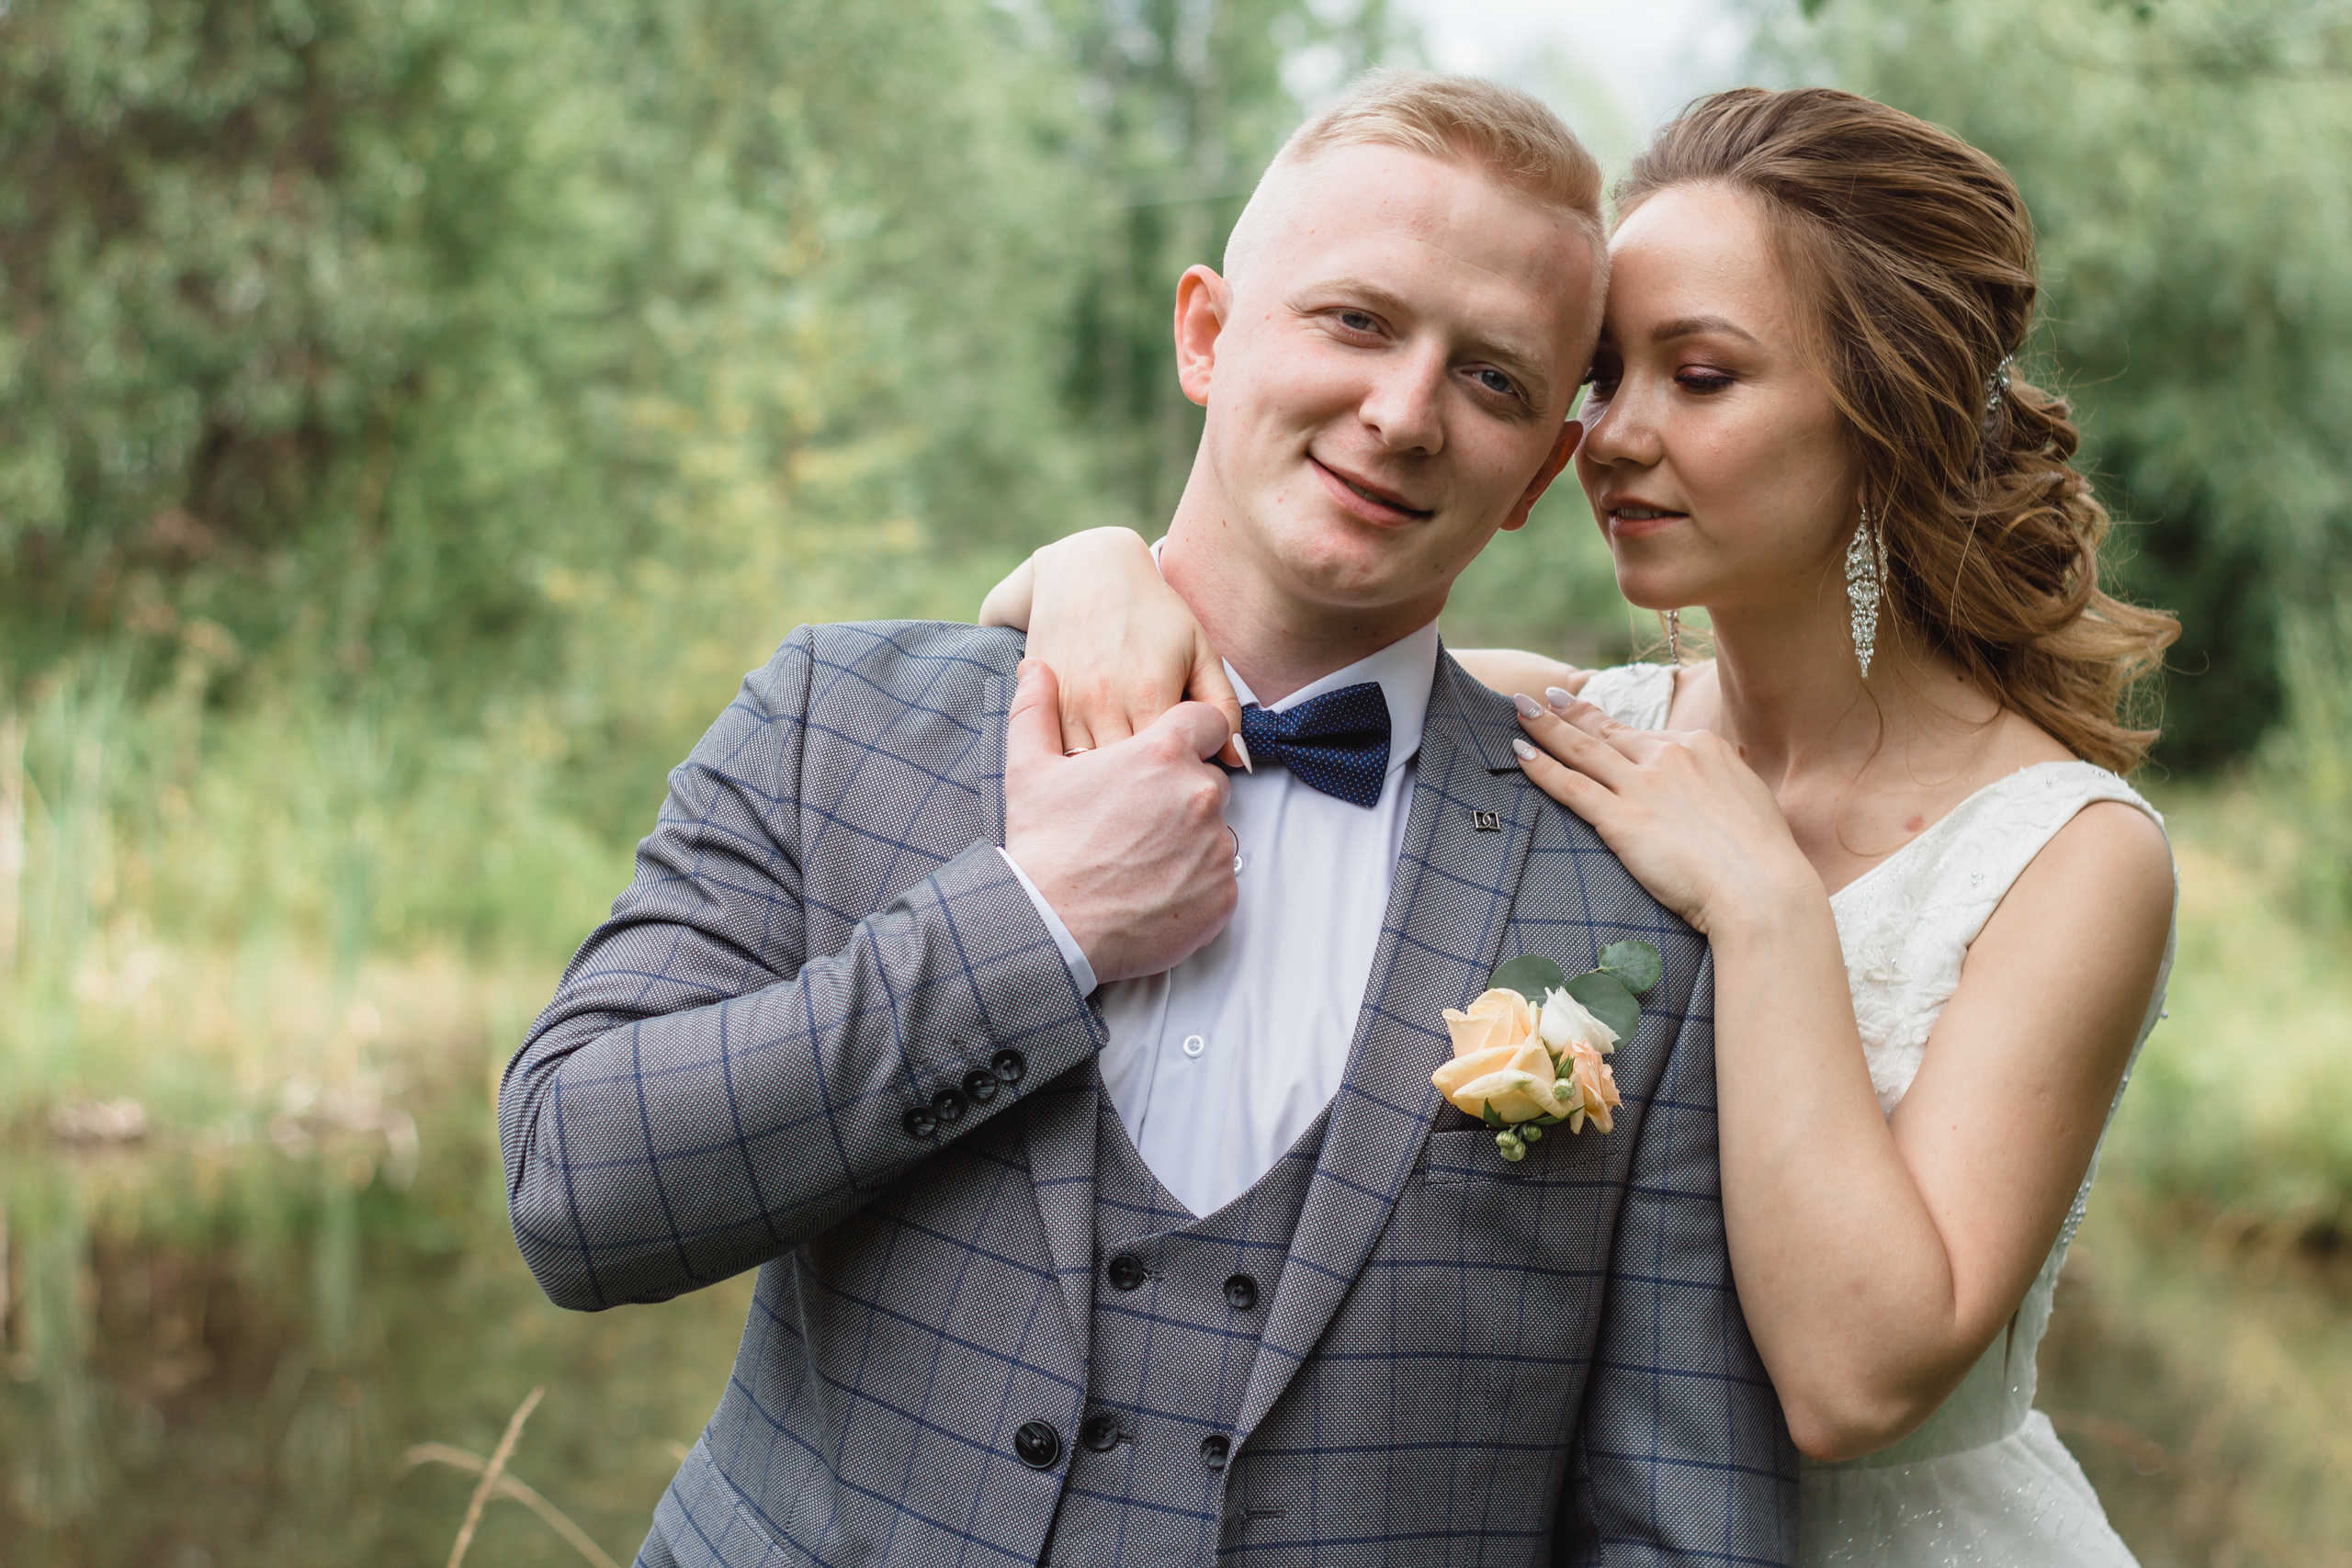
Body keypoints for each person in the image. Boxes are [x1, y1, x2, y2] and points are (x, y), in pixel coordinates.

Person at [502, 73, 1799, 1568]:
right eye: (1357, 320)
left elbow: (1681, 1523)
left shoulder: (1631, 900)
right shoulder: (835, 719)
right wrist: (1034, 926)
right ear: (1205, 332)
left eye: (1496, 379)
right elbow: (574, 1193)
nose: (1402, 413)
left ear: (1539, 480)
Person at [986, 86, 2179, 1566]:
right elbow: (1262, 674)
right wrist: (1096, 565)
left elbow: (1856, 1379)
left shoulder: (2068, 859)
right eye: (1605, 375)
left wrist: (1765, 908)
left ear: (1889, 423)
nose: (1609, 437)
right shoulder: (1556, 726)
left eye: (1702, 376)